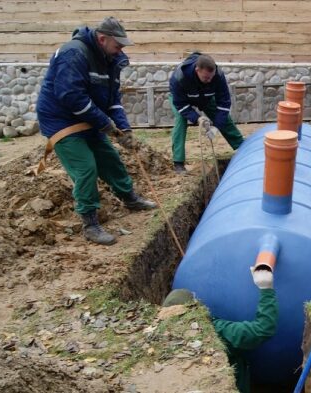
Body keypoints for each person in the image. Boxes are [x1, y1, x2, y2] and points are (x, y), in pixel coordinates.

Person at [36, 17, 157, 246]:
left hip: (89, 117)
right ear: (102, 39)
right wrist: (105, 124)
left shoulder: (110, 60)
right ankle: (90, 223)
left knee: (110, 160)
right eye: (118, 45)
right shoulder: (74, 54)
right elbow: (71, 97)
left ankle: (130, 199)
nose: (120, 50)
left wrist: (124, 129)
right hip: (62, 121)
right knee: (86, 168)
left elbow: (113, 100)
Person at [163, 266, 278, 393]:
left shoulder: (162, 338)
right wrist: (266, 289)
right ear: (194, 309)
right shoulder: (216, 331)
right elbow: (262, 329)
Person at [169, 52, 244, 174]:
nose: (209, 81)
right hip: (182, 100)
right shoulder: (179, 77)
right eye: (206, 78)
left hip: (206, 97)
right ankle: (178, 162)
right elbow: (180, 104)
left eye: (211, 77)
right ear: (197, 70)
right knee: (180, 121)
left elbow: (224, 104)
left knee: (223, 117)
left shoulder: (218, 76)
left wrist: (216, 127)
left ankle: (241, 146)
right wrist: (196, 118)